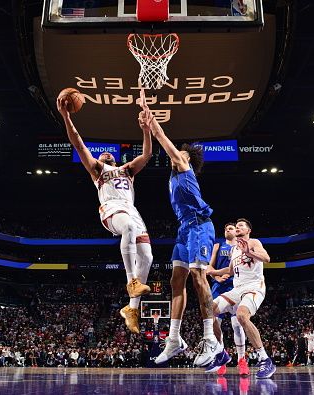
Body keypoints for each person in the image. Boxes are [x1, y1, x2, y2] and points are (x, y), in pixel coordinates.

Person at [56, 90, 153, 334]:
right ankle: (131, 281)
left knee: (149, 258)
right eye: (103, 154)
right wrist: (66, 116)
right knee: (128, 229)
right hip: (111, 209)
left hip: (132, 210)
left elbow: (147, 154)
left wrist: (145, 129)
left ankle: (131, 309)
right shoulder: (98, 170)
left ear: (116, 158)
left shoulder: (128, 170)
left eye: (110, 154)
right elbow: (77, 142)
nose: (106, 154)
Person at [139, 100, 219, 367]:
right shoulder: (173, 177)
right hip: (184, 230)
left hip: (199, 226)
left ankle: (210, 340)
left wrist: (151, 120)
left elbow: (163, 139)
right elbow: (153, 147)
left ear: (187, 161)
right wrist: (146, 130)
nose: (177, 156)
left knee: (198, 277)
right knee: (176, 282)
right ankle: (174, 339)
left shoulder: (186, 171)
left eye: (181, 154)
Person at [205, 218, 276, 379]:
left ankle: (265, 359)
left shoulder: (254, 242)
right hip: (237, 289)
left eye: (241, 226)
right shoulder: (234, 250)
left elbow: (267, 258)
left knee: (242, 316)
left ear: (248, 230)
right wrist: (212, 272)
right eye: (236, 226)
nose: (237, 228)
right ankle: (220, 352)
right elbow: (229, 270)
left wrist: (248, 252)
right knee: (209, 310)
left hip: (254, 287)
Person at [206, 222, 248, 375]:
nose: (227, 230)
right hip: (219, 287)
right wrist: (217, 277)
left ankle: (242, 360)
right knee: (215, 322)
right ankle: (221, 356)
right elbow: (208, 269)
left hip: (236, 286)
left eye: (230, 228)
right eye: (225, 229)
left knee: (237, 324)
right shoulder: (218, 246)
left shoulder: (242, 247)